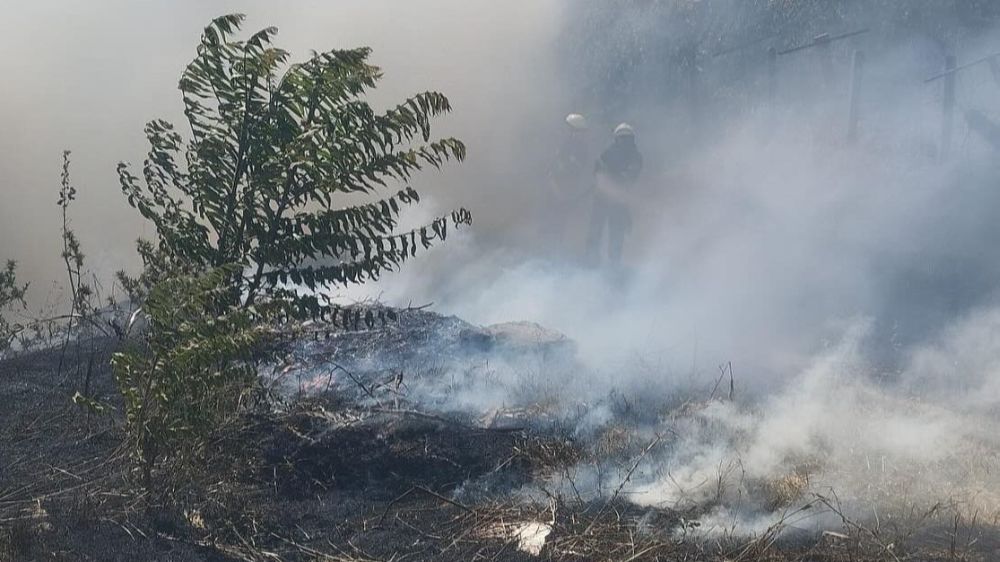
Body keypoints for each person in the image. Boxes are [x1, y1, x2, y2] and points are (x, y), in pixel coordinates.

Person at [585, 123, 643, 266]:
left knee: (609, 231)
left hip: (613, 199)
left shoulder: (625, 155)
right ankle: (598, 260)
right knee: (606, 230)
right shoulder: (622, 155)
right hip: (611, 199)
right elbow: (599, 174)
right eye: (622, 139)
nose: (624, 143)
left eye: (626, 139)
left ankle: (604, 261)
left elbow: (628, 178)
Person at [540, 113, 592, 252]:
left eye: (569, 129)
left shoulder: (580, 149)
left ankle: (553, 249)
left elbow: (574, 169)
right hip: (555, 186)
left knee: (559, 219)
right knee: (549, 218)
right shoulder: (564, 145)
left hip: (565, 187)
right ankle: (546, 248)